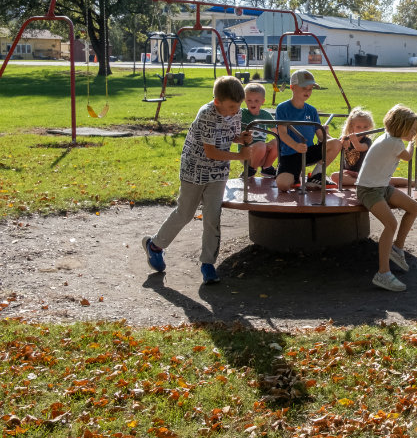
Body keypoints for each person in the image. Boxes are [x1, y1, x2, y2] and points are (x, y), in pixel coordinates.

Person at [142, 76, 251, 285]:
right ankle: (154, 245)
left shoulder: (235, 113)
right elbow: (211, 152)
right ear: (218, 102)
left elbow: (231, 135)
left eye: (238, 107)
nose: (236, 111)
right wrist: (240, 156)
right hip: (195, 170)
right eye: (231, 107)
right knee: (185, 213)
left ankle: (207, 263)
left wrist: (242, 139)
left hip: (218, 173)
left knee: (213, 216)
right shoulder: (207, 115)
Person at [355, 104, 417, 292]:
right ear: (400, 127)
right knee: (390, 224)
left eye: (415, 130)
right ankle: (383, 274)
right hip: (369, 190)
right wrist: (412, 142)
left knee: (414, 207)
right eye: (412, 130)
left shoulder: (388, 138)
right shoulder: (395, 143)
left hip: (381, 187)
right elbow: (408, 157)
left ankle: (397, 249)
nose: (414, 133)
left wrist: (409, 139)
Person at [275, 69, 341, 190]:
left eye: (310, 89)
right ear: (292, 87)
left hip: (308, 151)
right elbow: (282, 134)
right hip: (291, 154)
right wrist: (295, 146)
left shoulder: (312, 110)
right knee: (283, 185)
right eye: (304, 88)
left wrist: (332, 138)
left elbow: (321, 136)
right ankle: (294, 175)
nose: (308, 91)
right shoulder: (282, 108)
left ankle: (316, 175)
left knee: (336, 143)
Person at [241, 82, 278, 178]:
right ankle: (251, 170)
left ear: (263, 101)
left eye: (256, 101)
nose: (252, 103)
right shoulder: (241, 114)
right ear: (244, 100)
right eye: (249, 100)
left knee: (277, 142)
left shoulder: (265, 115)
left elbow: (276, 132)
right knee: (261, 145)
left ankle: (267, 168)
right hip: (246, 153)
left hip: (262, 152)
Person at [330, 106, 374, 186]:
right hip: (349, 173)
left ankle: (364, 182)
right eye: (358, 127)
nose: (362, 130)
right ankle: (362, 182)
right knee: (334, 176)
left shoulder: (367, 141)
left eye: (365, 127)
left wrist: (354, 141)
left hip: (362, 172)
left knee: (387, 180)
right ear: (351, 127)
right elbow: (334, 145)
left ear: (370, 127)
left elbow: (360, 148)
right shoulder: (346, 139)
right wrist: (326, 134)